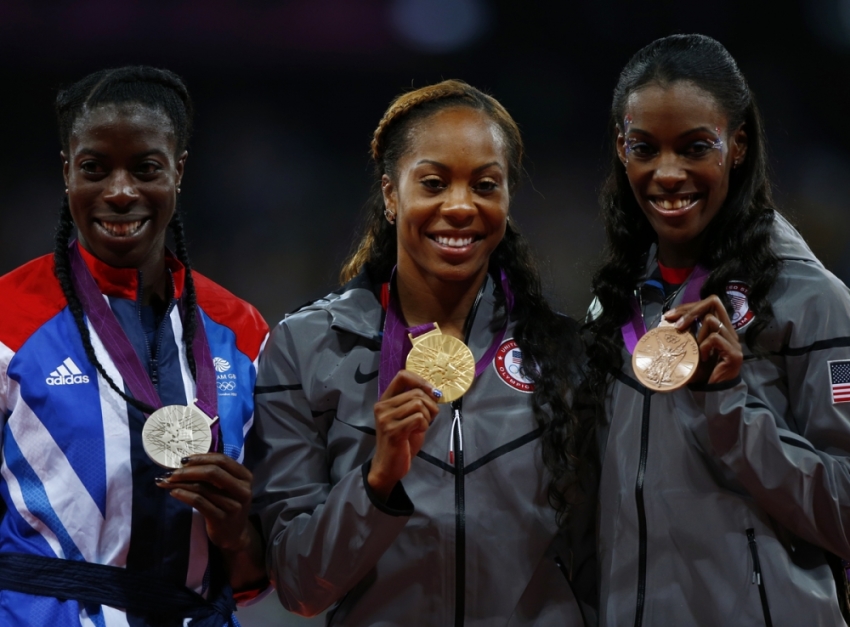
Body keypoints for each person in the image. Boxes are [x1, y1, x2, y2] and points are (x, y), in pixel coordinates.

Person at [249, 79, 595, 626]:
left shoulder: (564, 354)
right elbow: (297, 584)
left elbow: (600, 558)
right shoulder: (305, 347)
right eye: (433, 183)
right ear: (392, 195)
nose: (460, 206)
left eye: (485, 185)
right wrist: (376, 481)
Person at [585, 33, 850, 625]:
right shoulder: (615, 307)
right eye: (645, 148)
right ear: (621, 150)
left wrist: (728, 408)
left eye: (695, 147)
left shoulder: (811, 301)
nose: (668, 173)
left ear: (738, 146)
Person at [0, 66, 269, 626]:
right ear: (67, 173)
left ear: (179, 172)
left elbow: (254, 577)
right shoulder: (8, 318)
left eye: (146, 169)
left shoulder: (242, 330)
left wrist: (237, 530)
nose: (120, 193)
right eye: (95, 169)